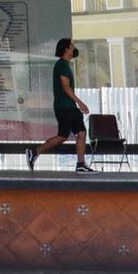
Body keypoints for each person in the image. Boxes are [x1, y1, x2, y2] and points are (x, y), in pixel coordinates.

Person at [26, 38, 96, 173]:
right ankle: (35, 152)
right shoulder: (62, 66)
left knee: (75, 133)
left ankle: (80, 164)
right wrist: (80, 103)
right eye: (72, 47)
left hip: (66, 106)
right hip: (66, 106)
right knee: (70, 134)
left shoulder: (64, 65)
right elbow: (66, 87)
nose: (74, 49)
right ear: (66, 50)